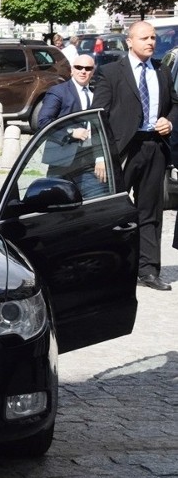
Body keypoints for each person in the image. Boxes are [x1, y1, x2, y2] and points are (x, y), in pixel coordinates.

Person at [91, 20, 178, 291]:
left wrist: (170, 121)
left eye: (153, 37)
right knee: (114, 212)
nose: (151, 42)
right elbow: (98, 117)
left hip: (154, 146)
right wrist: (100, 155)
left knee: (150, 210)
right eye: (144, 38)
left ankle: (148, 270)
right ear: (129, 41)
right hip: (122, 149)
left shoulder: (162, 70)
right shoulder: (111, 72)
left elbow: (175, 104)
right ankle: (107, 269)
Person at [38, 54, 108, 198]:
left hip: (88, 160)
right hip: (61, 162)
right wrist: (70, 132)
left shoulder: (97, 94)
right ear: (72, 70)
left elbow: (101, 129)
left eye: (88, 68)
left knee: (98, 201)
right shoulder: (58, 91)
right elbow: (43, 122)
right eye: (79, 67)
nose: (83, 71)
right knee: (56, 205)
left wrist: (101, 158)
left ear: (93, 71)